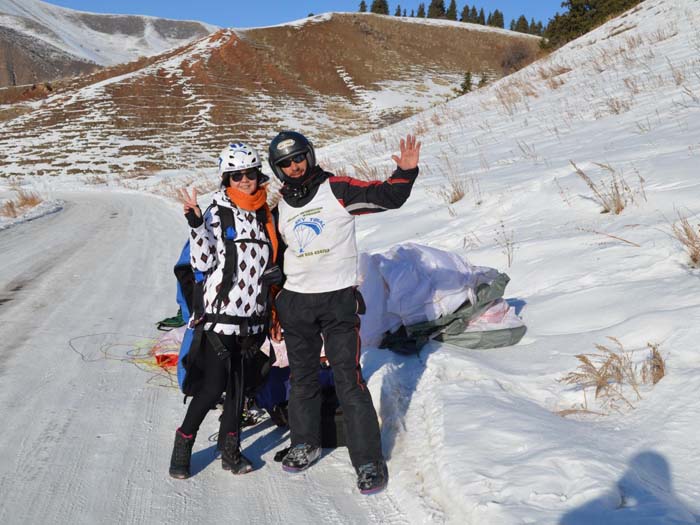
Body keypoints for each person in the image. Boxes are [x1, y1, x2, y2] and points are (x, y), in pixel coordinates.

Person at [268, 131, 421, 494]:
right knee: (302, 379)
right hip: (296, 302)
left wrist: (405, 173)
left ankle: (368, 461)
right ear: (278, 169)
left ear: (310, 155)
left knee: (348, 380)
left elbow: (386, 197)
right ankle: (305, 442)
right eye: (285, 163)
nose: (294, 166)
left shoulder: (335, 188)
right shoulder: (281, 207)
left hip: (337, 300)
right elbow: (275, 257)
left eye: (298, 157)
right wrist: (274, 305)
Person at [169, 142, 281, 479]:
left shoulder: (265, 215)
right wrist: (195, 225)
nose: (245, 180)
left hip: (255, 318)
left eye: (250, 173)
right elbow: (202, 262)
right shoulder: (217, 212)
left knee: (240, 388)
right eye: (237, 175)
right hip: (221, 318)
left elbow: (271, 261)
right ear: (226, 178)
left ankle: (230, 451)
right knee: (211, 388)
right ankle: (183, 443)